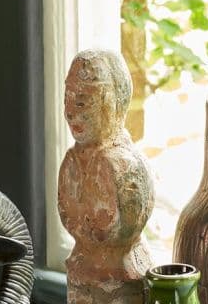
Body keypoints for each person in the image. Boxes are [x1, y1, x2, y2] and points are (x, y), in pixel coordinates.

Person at [58, 49, 154, 304]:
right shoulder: (71, 163)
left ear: (111, 102)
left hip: (120, 283)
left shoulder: (123, 166)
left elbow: (123, 233)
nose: (70, 111)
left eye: (82, 101)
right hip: (80, 274)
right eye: (67, 98)